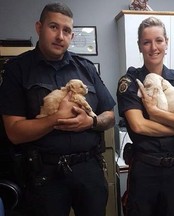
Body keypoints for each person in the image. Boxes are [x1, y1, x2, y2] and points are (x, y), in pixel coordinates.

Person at [0, 2, 115, 216]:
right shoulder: (17, 70)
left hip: (89, 169)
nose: (60, 36)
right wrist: (55, 119)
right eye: (53, 27)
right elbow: (14, 132)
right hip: (44, 176)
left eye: (67, 30)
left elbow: (109, 115)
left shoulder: (86, 68)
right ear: (39, 27)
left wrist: (92, 122)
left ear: (72, 35)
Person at [116, 16, 174, 216]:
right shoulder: (131, 82)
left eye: (159, 40)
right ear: (140, 46)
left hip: (173, 170)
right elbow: (139, 126)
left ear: (166, 43)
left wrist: (154, 113)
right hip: (145, 169)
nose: (153, 47)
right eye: (147, 42)